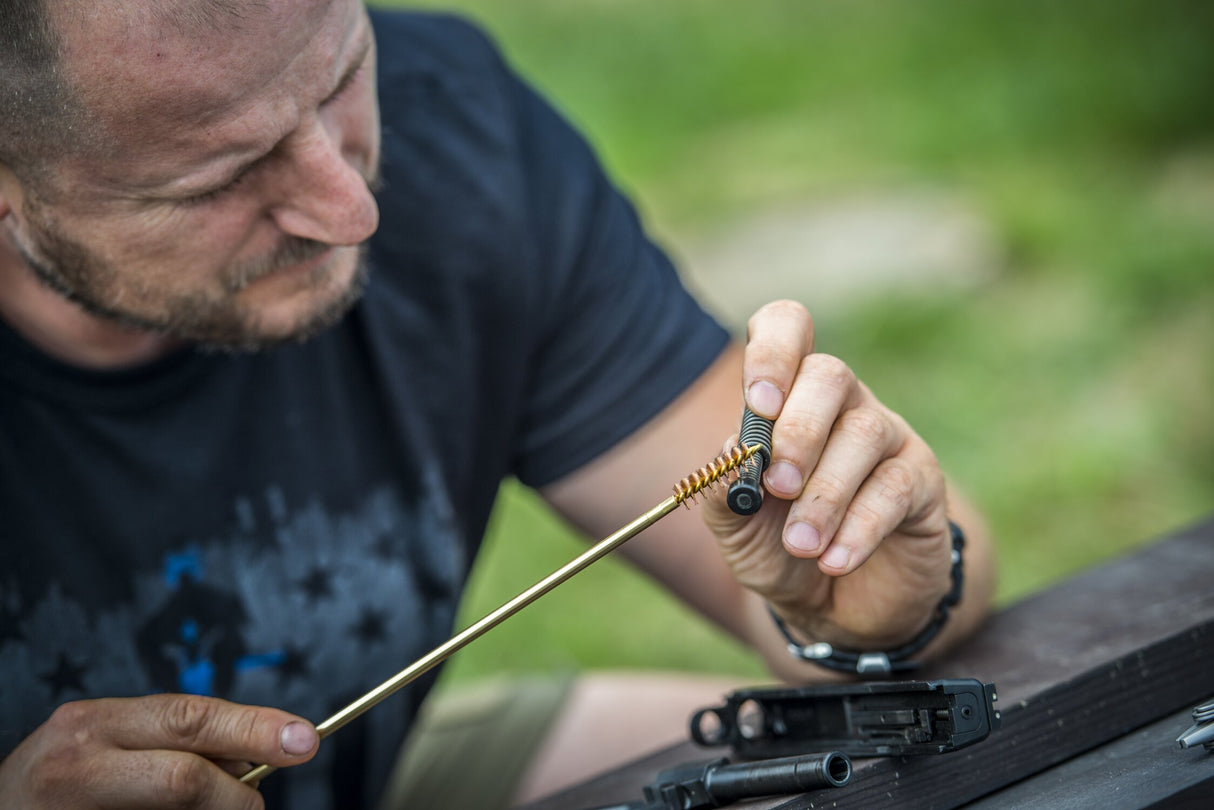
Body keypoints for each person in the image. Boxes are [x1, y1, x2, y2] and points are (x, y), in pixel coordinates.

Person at [0, 1, 995, 808]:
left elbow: (844, 573)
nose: (351, 211)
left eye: (342, 76)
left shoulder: (456, 131)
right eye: (220, 175)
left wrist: (869, 604)